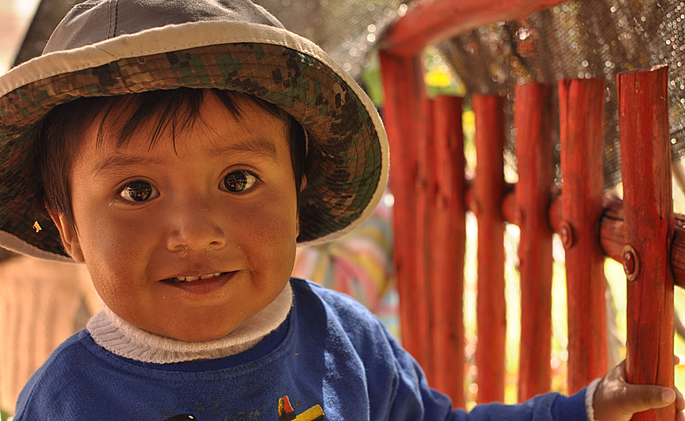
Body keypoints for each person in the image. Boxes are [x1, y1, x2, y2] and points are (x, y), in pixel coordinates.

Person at [0, 0, 681, 420]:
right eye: (137, 192)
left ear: (296, 194)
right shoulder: (67, 400)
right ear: (69, 229)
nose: (197, 231)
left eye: (237, 179)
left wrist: (578, 410)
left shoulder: (342, 340)